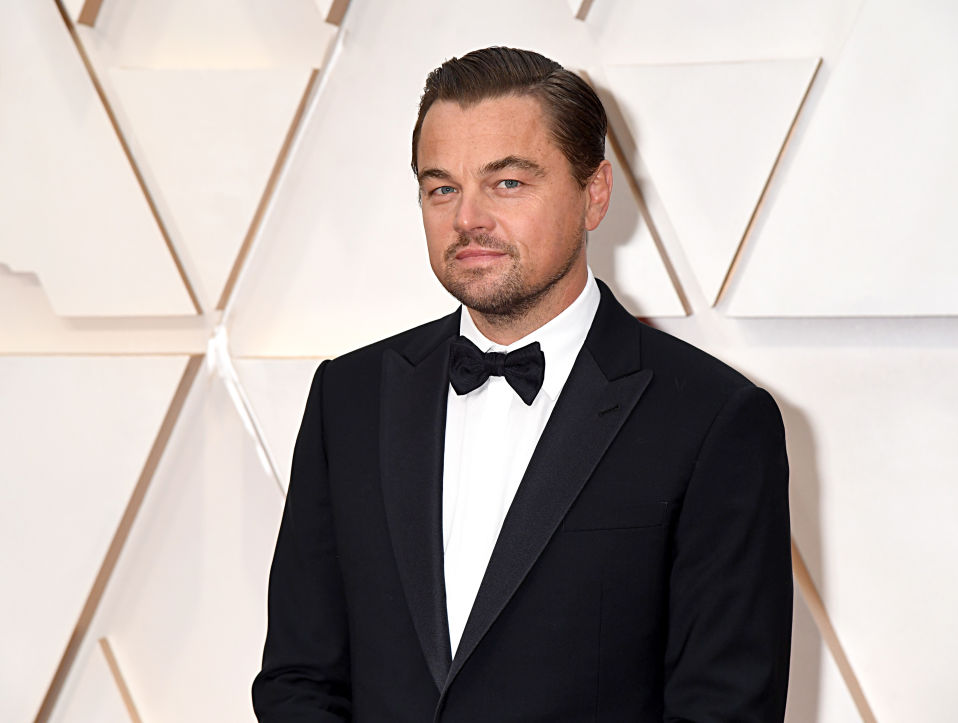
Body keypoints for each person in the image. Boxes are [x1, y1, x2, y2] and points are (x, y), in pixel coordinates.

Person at [253, 46, 792, 722]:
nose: (467, 219)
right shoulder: (349, 397)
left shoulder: (714, 419)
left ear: (594, 194)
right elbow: (298, 677)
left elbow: (725, 708)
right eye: (441, 188)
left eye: (507, 183)